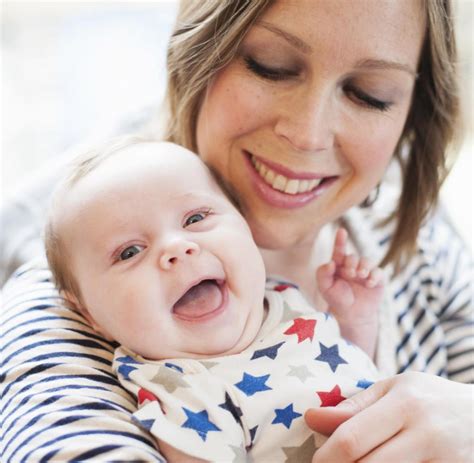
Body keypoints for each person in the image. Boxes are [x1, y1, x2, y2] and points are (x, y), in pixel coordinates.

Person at [1, 0, 472, 462]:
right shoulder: (61, 325)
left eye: (369, 93)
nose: (308, 134)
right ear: (196, 50)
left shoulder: (418, 247)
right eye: (270, 66)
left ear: (412, 111)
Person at [45, 137, 382, 461]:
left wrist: (355, 319)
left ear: (243, 221)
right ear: (88, 313)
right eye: (130, 252)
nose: (177, 247)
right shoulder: (179, 387)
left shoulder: (283, 298)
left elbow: (355, 380)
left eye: (195, 218)